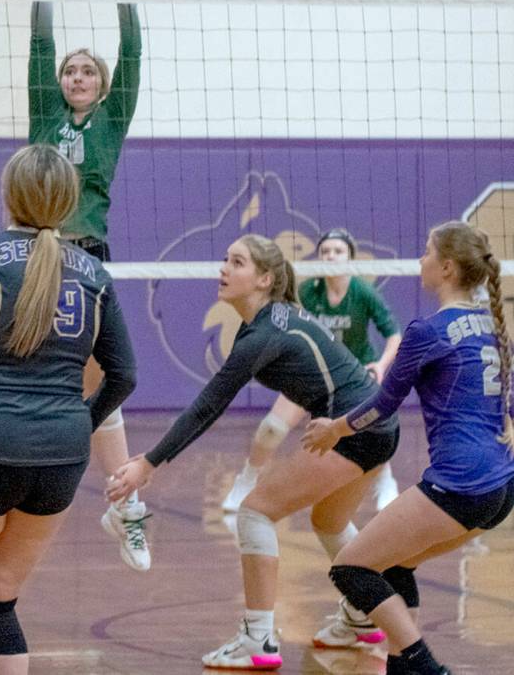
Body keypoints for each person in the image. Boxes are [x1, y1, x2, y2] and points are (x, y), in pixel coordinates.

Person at [108, 234, 400, 670]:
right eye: (225, 259)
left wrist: (148, 464)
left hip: (352, 428)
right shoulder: (270, 322)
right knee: (329, 520)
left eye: (237, 262)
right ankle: (360, 615)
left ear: (264, 278)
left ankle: (258, 639)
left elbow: (207, 407)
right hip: (374, 424)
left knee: (255, 512)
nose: (223, 268)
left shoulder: (263, 334)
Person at [0, 144, 137, 674]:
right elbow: (124, 375)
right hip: (60, 455)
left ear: (7, 195)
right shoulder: (94, 274)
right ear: (69, 200)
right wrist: (80, 422)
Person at [303, 222, 514, 675]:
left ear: (447, 267)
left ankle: (426, 668)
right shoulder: (494, 326)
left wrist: (333, 430)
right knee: (393, 566)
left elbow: (380, 407)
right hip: (500, 487)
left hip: (460, 483)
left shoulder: (430, 330)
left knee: (351, 569)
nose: (420, 260)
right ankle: (404, 668)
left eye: (425, 251)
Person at [24, 0, 152, 572]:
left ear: (101, 86)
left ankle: (123, 502)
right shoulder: (44, 114)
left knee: (99, 379)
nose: (76, 74)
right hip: (38, 254)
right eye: (69, 69)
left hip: (89, 254)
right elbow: (38, 38)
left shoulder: (111, 117)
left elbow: (132, 54)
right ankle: (19, 480)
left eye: (86, 70)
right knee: (29, 365)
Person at [223, 227, 402, 513]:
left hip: (352, 381)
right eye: (325, 251)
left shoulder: (363, 292)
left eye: (338, 251)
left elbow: (395, 334)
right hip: (312, 378)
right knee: (271, 427)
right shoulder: (307, 291)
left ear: (351, 258)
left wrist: (380, 365)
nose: (331, 256)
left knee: (371, 428)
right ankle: (246, 479)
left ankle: (386, 481)